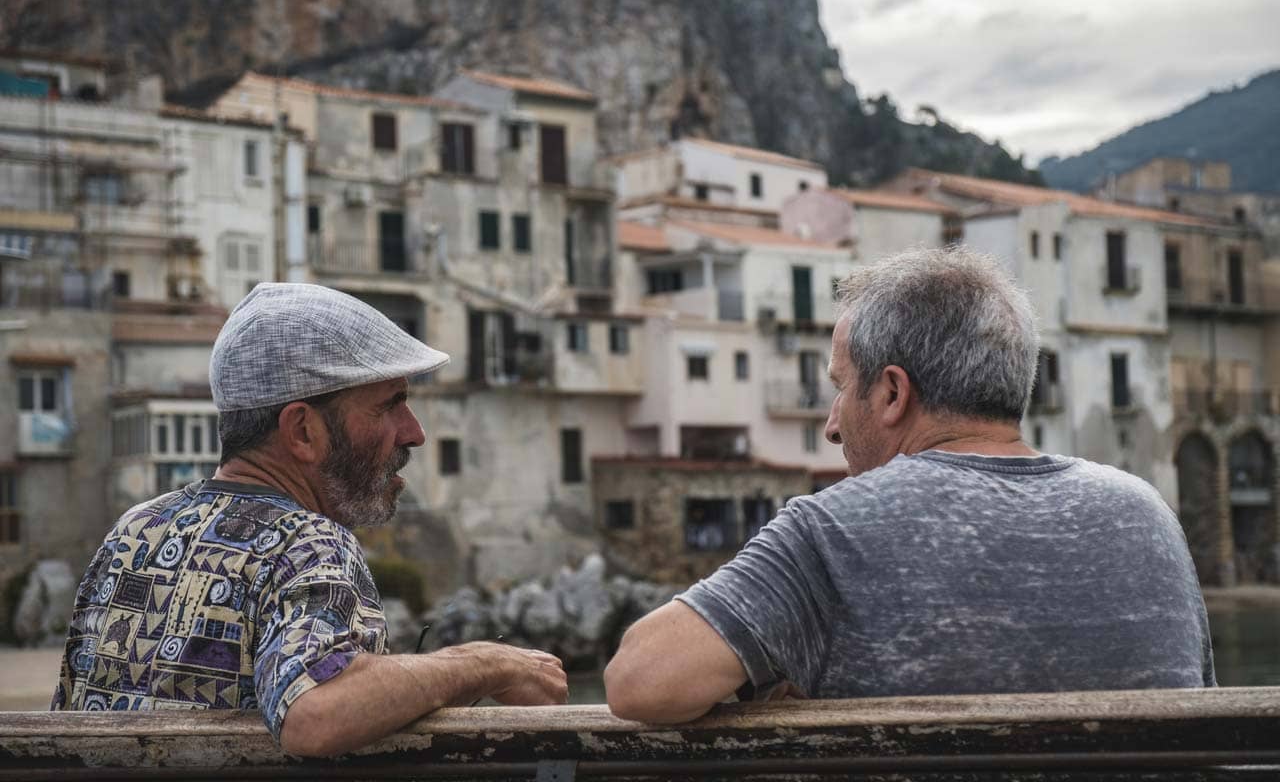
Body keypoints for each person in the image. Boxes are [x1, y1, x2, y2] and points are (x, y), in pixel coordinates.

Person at [604, 247, 1215, 723]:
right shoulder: (1147, 513)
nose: (831, 425)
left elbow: (639, 680)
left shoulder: (834, 529)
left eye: (841, 387)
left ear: (893, 393)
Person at [53, 283, 568, 756]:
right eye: (390, 406)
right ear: (301, 430)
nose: (414, 433)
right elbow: (315, 712)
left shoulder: (135, 530)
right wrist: (484, 663)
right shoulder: (306, 541)